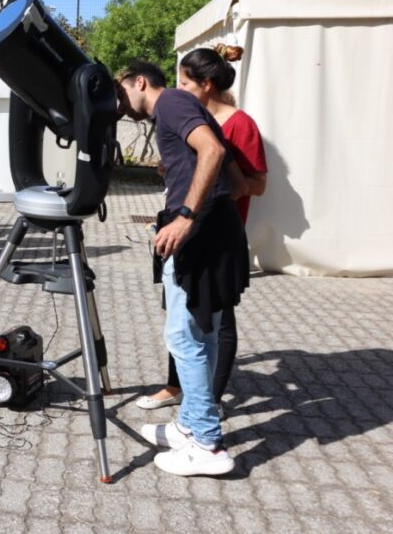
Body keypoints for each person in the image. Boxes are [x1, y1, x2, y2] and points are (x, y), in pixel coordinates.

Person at [117, 60, 249, 477]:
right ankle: (189, 426)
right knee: (202, 333)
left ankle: (207, 445)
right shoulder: (186, 109)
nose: (119, 105)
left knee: (181, 334)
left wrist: (187, 214)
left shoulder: (172, 101)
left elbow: (213, 150)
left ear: (140, 82)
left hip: (199, 233)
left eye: (121, 94)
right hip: (219, 229)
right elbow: (239, 182)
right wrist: (178, 175)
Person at [137, 45, 267, 416]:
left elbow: (256, 185)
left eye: (183, 82)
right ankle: (180, 390)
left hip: (217, 234)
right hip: (189, 234)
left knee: (213, 324)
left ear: (207, 84)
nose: (176, 90)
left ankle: (209, 403)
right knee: (181, 323)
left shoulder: (238, 124)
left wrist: (216, 183)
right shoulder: (185, 114)